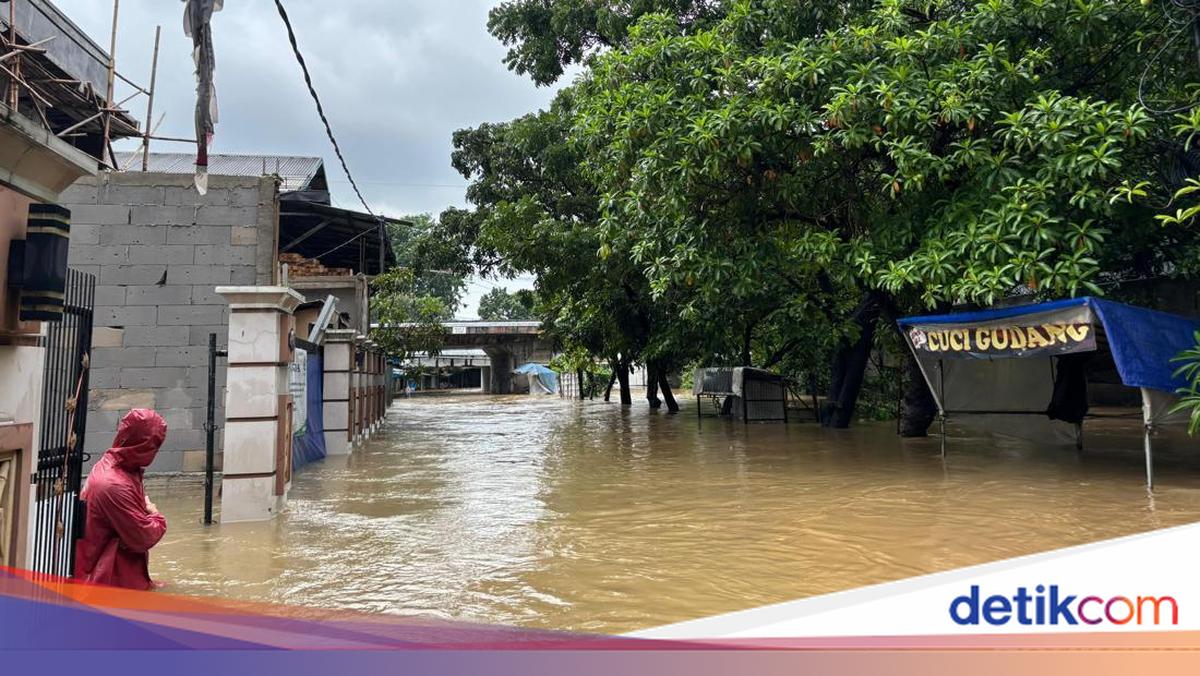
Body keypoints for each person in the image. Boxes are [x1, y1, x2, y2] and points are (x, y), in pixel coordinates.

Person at [74, 409, 168, 590]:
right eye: (155, 444)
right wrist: (156, 516)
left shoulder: (117, 466)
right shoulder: (114, 484)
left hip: (114, 576)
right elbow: (142, 537)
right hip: (106, 584)